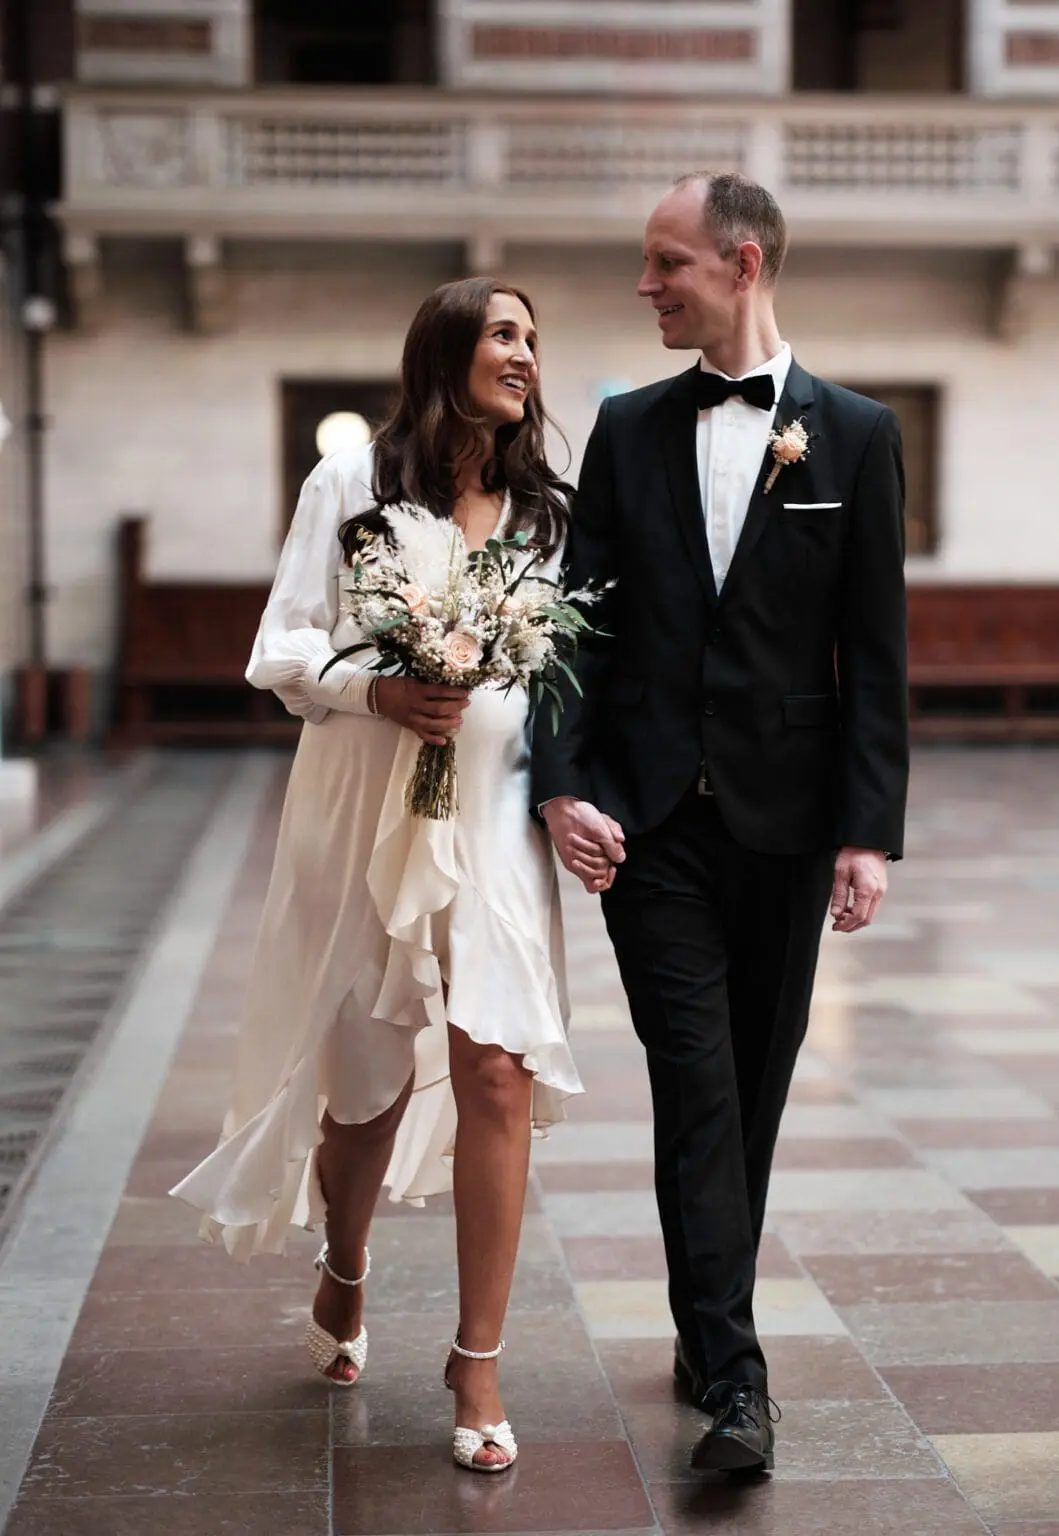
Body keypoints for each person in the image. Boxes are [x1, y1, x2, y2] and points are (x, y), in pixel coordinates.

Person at [533, 172, 909, 1474]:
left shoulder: (852, 437)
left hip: (790, 823)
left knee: (753, 1085)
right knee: (695, 1087)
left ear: (740, 264)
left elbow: (873, 647)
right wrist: (558, 783)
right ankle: (737, 1385)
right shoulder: (625, 427)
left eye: (665, 263)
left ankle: (707, 1328)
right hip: (650, 829)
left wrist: (867, 831)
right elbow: (576, 628)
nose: (646, 285)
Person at [173, 277, 581, 1474]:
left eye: (532, 339)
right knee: (363, 1087)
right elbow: (281, 648)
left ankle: (478, 1359)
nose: (525, 353)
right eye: (505, 334)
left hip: (493, 822)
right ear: (446, 349)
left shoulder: (545, 512)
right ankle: (343, 1262)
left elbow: (564, 676)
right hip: (363, 805)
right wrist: (377, 688)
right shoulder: (348, 484)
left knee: (497, 1069)